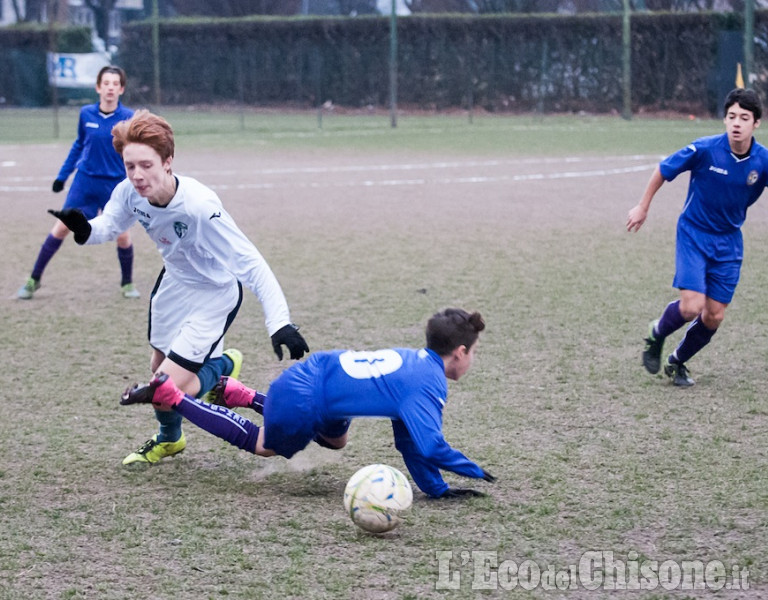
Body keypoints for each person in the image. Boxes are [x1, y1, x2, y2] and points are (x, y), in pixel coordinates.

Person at [50, 109, 309, 465]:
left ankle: (220, 367)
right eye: (130, 166)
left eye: (146, 165)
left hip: (214, 294)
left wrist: (279, 322)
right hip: (173, 287)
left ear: (168, 161)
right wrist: (84, 229)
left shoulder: (200, 208)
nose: (137, 176)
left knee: (166, 388)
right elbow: (110, 224)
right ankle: (170, 439)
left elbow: (251, 263)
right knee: (158, 368)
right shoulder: (129, 192)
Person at [121, 308, 496, 499]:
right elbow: (430, 445)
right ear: (460, 352)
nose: (473, 358)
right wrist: (475, 471)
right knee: (262, 443)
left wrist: (438, 489)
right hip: (306, 396)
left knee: (337, 441)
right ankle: (173, 396)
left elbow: (410, 442)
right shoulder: (428, 383)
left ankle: (242, 395)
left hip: (323, 380)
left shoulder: (417, 362)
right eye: (474, 352)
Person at [627, 88, 768, 386]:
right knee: (691, 306)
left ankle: (677, 361)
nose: (736, 123)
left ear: (756, 123)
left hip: (729, 242)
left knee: (714, 316)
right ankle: (657, 332)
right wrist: (642, 206)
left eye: (744, 117)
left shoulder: (762, 161)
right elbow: (664, 170)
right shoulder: (704, 150)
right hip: (694, 234)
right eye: (731, 116)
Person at [18, 65, 140, 300]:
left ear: (122, 89)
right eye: (106, 83)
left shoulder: (129, 118)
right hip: (85, 182)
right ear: (98, 87)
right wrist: (62, 176)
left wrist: (135, 180)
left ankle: (127, 283)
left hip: (114, 186)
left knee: (122, 235)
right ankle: (34, 280)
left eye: (115, 84)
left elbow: (134, 152)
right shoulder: (86, 114)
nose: (110, 88)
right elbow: (78, 146)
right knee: (62, 227)